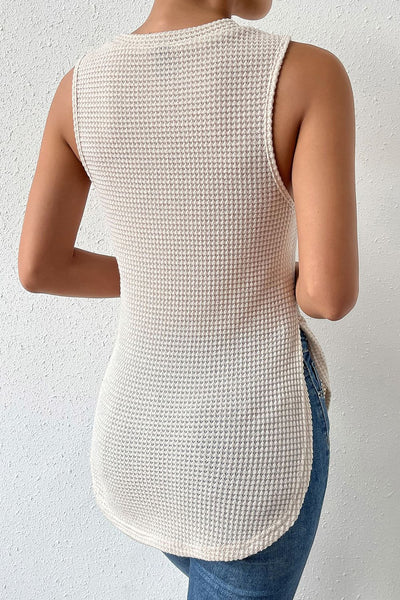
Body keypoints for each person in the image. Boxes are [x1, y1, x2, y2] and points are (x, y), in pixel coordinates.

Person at [18, 0, 358, 598]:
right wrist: (230, 276)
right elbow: (327, 296)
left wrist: (167, 276)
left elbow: (40, 267)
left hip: (139, 432)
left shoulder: (79, 87)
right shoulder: (306, 73)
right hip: (252, 438)